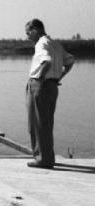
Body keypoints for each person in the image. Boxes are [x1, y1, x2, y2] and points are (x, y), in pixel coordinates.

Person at [25, 19, 74, 168]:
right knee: (46, 123)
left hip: (40, 85)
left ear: (36, 30)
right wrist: (59, 77)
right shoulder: (55, 43)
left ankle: (42, 159)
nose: (27, 37)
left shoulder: (41, 43)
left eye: (28, 33)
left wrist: (40, 78)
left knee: (36, 123)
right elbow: (70, 60)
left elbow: (47, 61)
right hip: (52, 86)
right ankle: (47, 157)